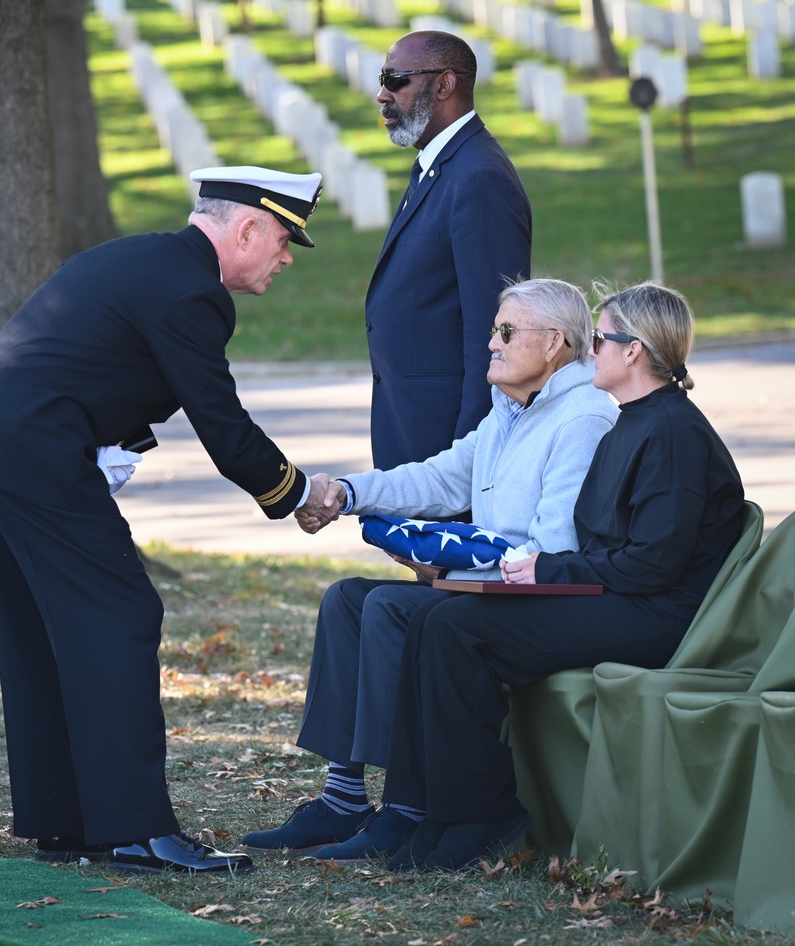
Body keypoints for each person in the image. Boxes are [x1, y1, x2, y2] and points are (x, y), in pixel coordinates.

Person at [0, 165, 328, 875]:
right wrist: (297, 493)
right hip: (36, 448)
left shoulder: (144, 257)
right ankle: (136, 832)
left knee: (45, 630)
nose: (287, 256)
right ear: (246, 228)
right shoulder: (192, 291)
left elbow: (95, 363)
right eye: (284, 238)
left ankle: (71, 820)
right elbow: (221, 422)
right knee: (119, 615)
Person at [316, 282, 746, 871]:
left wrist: (544, 566)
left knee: (456, 626)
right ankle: (426, 812)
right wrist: (354, 496)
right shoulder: (634, 421)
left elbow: (652, 565)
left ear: (634, 352)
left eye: (600, 339)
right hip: (625, 595)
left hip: (660, 615)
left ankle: (480, 813)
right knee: (442, 619)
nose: (590, 351)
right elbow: (610, 545)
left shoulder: (667, 431)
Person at [241, 278, 619, 858]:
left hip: (534, 599)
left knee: (391, 606)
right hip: (489, 587)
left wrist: (443, 566)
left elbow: (554, 548)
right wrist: (345, 492)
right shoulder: (512, 411)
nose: (491, 342)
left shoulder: (582, 417)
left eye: (507, 331)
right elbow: (439, 478)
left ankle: (407, 809)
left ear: (556, 344)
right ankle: (343, 798)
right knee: (347, 598)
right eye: (495, 328)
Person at [367, 30, 532, 470]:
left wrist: (470, 458)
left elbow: (495, 331)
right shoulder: (438, 165)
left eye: (396, 79)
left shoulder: (478, 177)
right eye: (382, 78)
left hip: (445, 448)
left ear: (444, 85)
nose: (382, 94)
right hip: (413, 431)